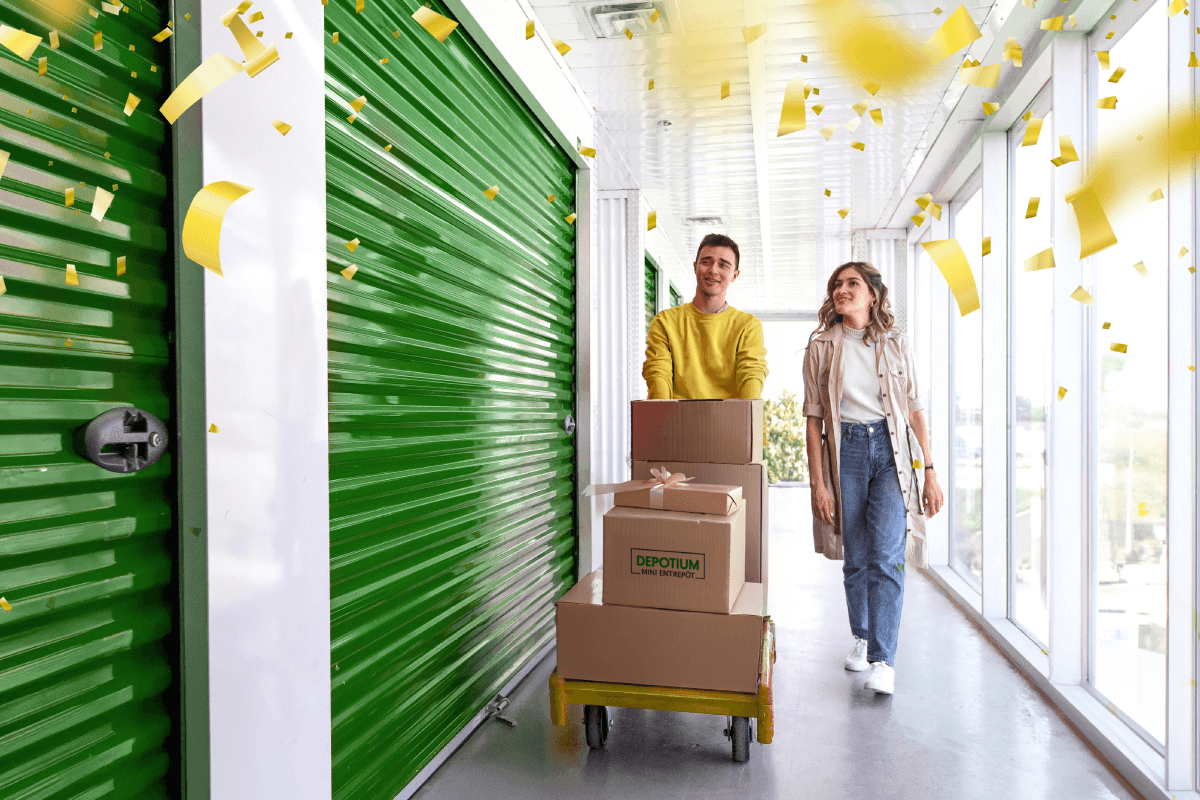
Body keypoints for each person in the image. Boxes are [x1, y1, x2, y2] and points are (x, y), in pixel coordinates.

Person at [802, 261, 944, 696]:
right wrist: (818, 484)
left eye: (852, 284)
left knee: (887, 555)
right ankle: (862, 637)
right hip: (846, 451)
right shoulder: (821, 347)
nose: (842, 290)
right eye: (837, 285)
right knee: (857, 556)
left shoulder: (896, 344)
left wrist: (931, 471)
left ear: (872, 295)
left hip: (891, 449)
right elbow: (812, 422)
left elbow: (916, 412)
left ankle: (884, 660)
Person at [642, 233, 768, 399]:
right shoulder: (665, 322)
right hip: (677, 421)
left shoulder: (748, 326)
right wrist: (663, 421)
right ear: (695, 267)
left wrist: (755, 423)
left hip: (731, 422)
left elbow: (751, 377)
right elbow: (658, 376)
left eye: (723, 265)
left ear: (734, 275)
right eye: (706, 262)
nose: (713, 270)